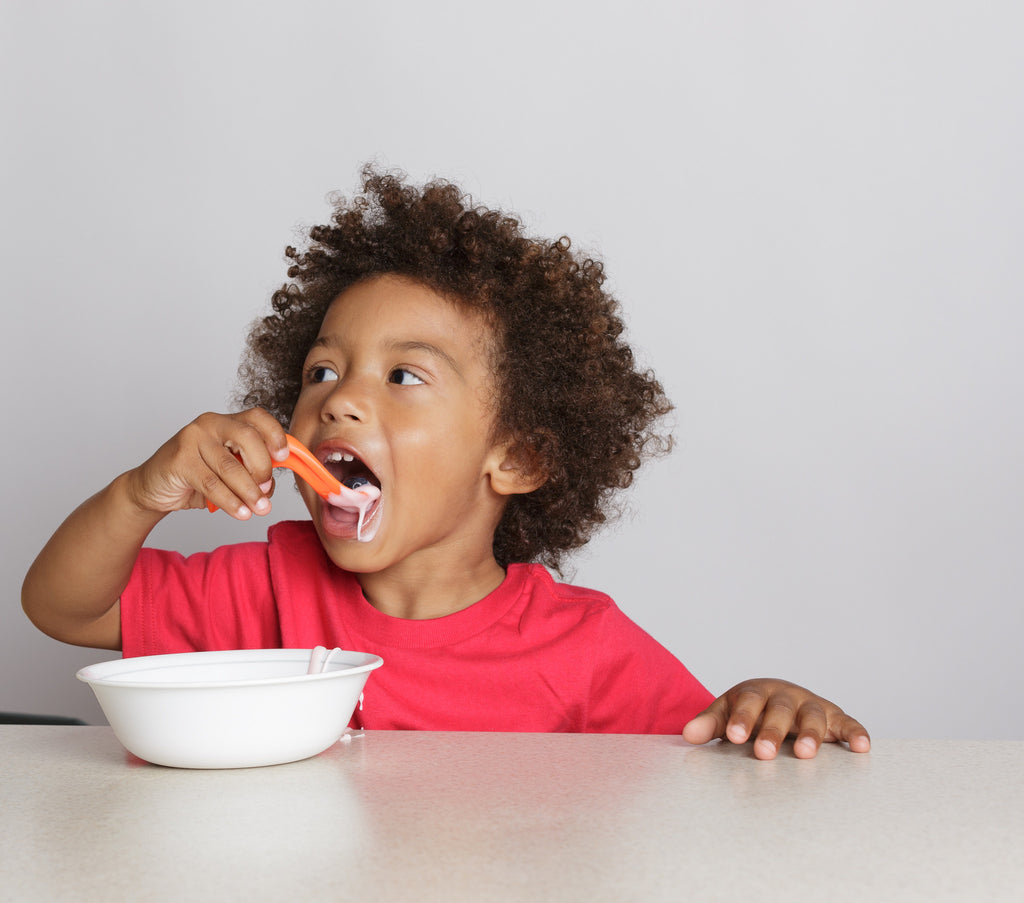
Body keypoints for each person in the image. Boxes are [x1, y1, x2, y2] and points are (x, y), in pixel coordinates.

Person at [21, 167, 870, 760]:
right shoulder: (263, 591)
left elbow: (708, 761)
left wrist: (766, 702)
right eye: (322, 371)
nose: (338, 402)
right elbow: (61, 606)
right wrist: (144, 492)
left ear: (517, 456)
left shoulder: (580, 649)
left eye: (403, 376)